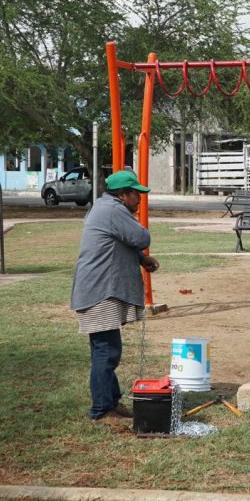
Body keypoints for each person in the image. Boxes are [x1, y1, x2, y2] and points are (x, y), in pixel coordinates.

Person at [70, 170, 159, 426]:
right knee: (106, 351)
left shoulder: (104, 207)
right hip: (101, 291)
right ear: (124, 194)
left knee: (106, 349)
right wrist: (142, 247)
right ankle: (101, 410)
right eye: (137, 195)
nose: (140, 200)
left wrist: (142, 259)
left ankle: (110, 401)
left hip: (96, 289)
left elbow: (119, 241)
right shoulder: (113, 210)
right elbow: (141, 237)